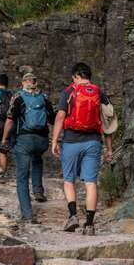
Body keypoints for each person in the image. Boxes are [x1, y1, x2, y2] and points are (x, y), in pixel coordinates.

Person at [51, 62, 113, 236]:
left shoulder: (69, 91)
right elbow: (108, 123)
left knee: (69, 180)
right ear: (89, 76)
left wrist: (54, 140)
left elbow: (60, 117)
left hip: (71, 141)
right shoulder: (99, 93)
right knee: (90, 183)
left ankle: (72, 216)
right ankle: (90, 225)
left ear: (76, 76)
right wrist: (109, 149)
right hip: (93, 142)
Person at [0, 72, 55, 223]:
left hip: (24, 139)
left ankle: (27, 215)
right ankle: (38, 191)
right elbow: (52, 118)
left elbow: (10, 119)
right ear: (35, 82)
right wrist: (56, 139)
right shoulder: (44, 98)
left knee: (22, 177)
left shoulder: (18, 97)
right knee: (37, 158)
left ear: (24, 82)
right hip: (42, 140)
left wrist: (4, 139)